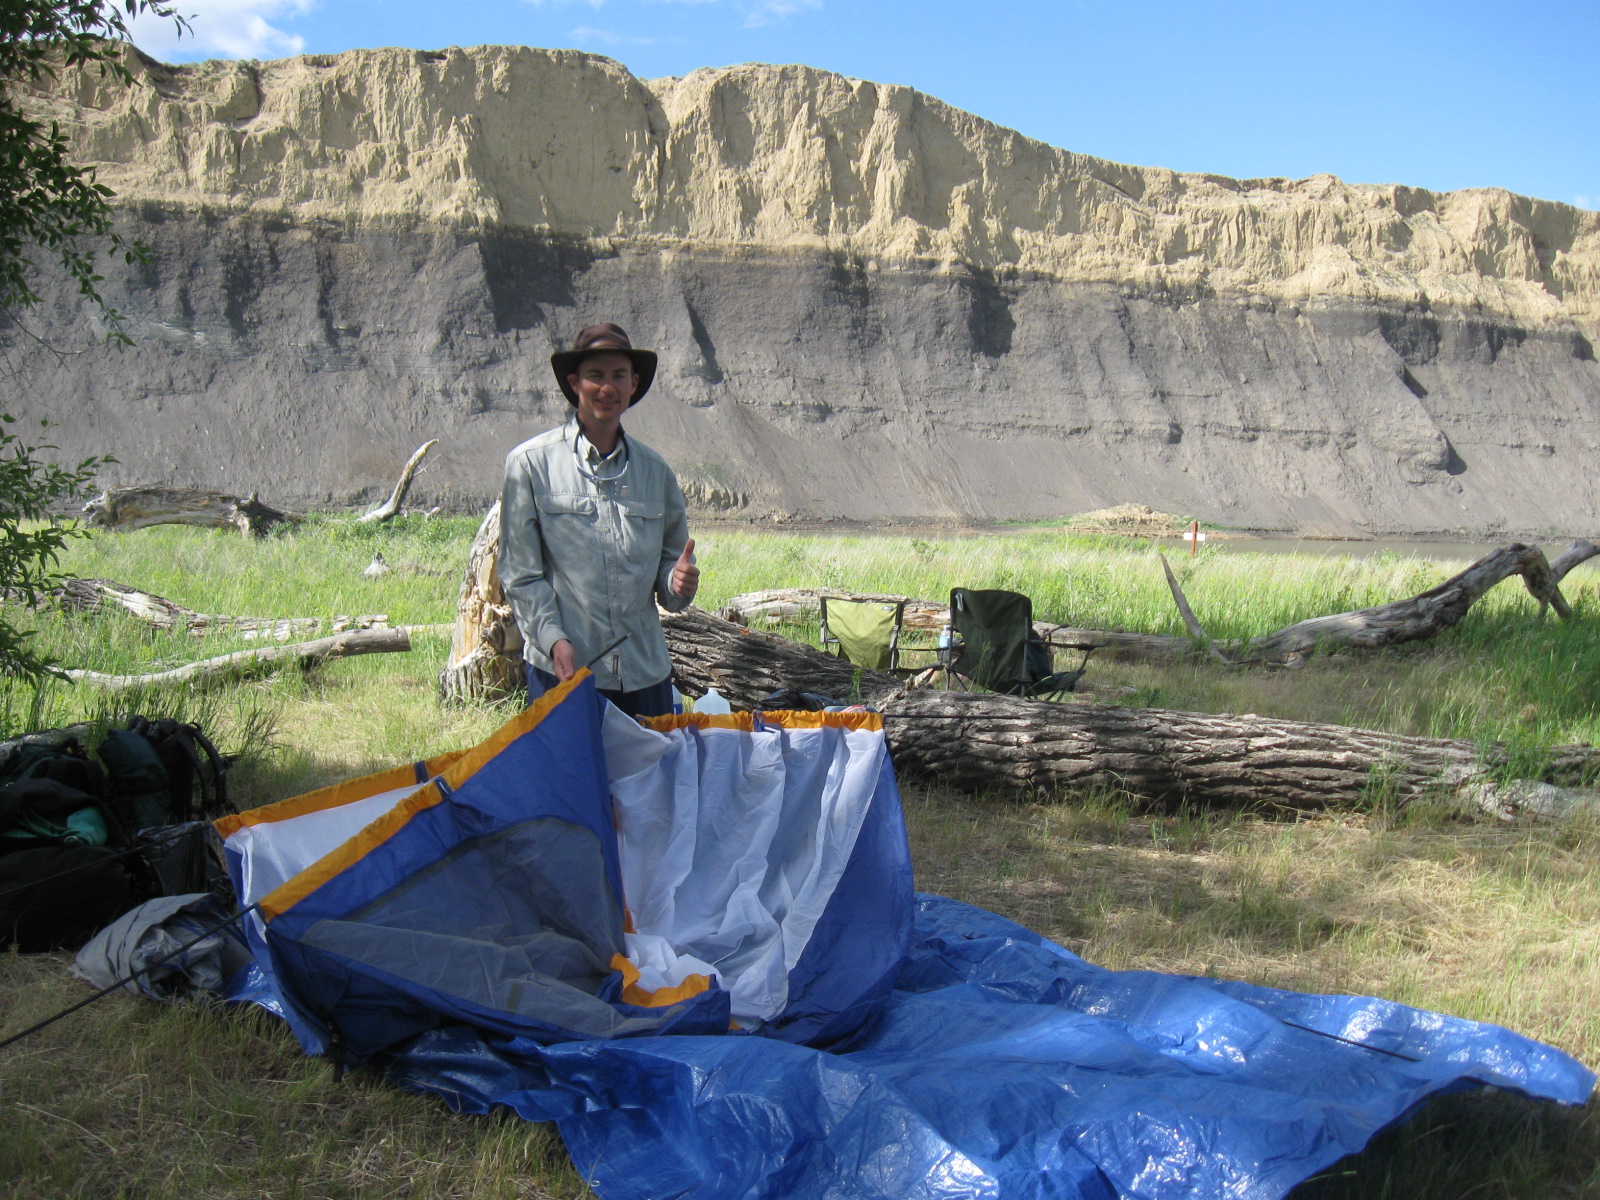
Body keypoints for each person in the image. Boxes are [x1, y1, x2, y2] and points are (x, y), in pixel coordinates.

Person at [499, 323, 699, 718]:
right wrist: (553, 639)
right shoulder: (530, 465)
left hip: (645, 675)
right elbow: (520, 575)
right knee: (567, 781)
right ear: (575, 383)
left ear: (633, 384)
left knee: (648, 781)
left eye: (618, 375)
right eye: (596, 375)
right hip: (566, 671)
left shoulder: (656, 472)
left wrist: (677, 583)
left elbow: (670, 580)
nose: (607, 388)